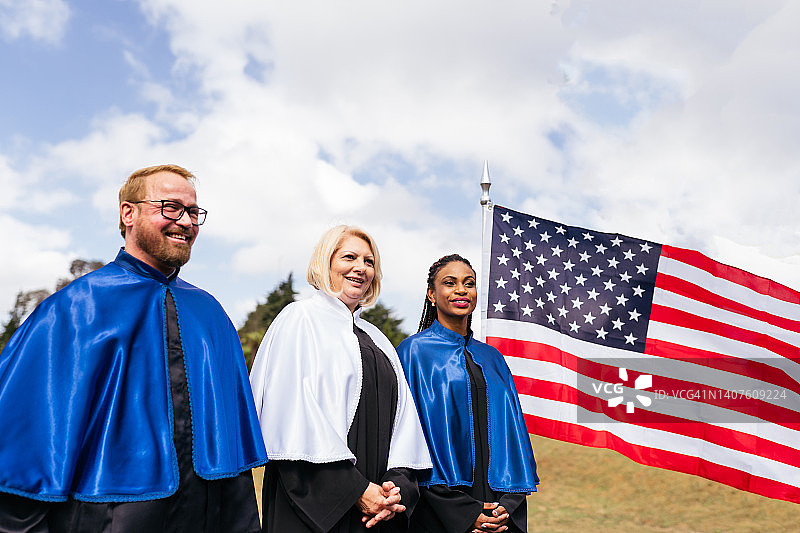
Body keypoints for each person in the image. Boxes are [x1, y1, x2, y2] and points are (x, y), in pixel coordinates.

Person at [0, 164, 268, 533]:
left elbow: (233, 457)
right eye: (171, 207)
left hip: (206, 514)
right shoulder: (74, 308)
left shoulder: (211, 314)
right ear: (129, 213)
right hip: (107, 516)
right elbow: (23, 448)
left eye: (193, 212)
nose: (186, 221)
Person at [250, 225, 432, 532]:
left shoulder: (377, 339)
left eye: (369, 261)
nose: (361, 268)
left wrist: (395, 488)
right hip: (312, 503)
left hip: (376, 507)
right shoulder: (299, 319)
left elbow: (404, 424)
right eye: (350, 257)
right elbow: (292, 417)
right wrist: (356, 490)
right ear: (326, 262)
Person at [397, 254, 539, 533]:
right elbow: (410, 439)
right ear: (431, 294)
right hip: (441, 506)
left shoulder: (492, 358)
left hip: (498, 504)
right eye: (450, 283)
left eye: (469, 283)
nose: (461, 290)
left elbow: (513, 435)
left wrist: (507, 506)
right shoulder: (413, 352)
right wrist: (465, 513)